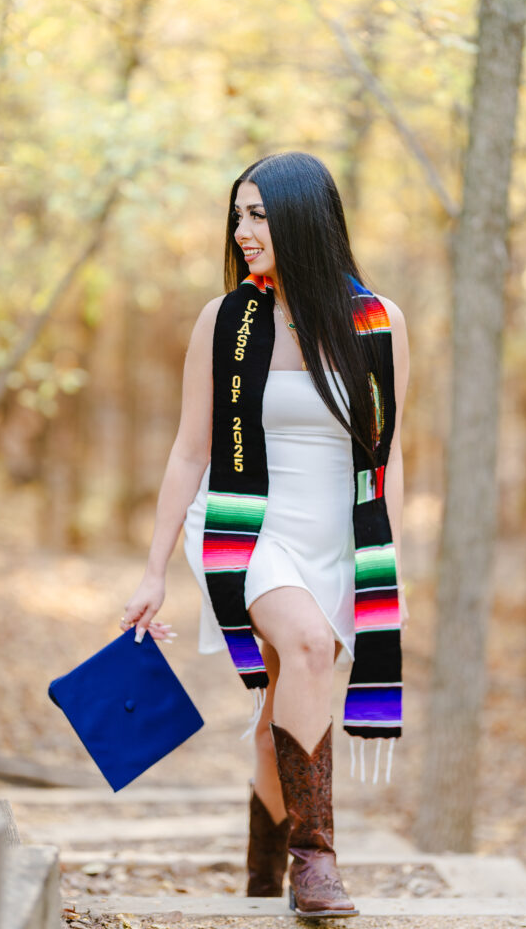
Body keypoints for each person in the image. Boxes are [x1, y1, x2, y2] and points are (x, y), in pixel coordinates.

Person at [120, 151, 409, 919]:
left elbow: (388, 452)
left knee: (286, 701)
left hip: (339, 534)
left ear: (304, 221)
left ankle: (259, 887)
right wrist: (153, 571)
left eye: (259, 215)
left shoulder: (377, 323)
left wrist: (390, 560)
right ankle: (316, 864)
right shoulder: (224, 322)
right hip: (245, 527)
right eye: (238, 215)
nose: (242, 231)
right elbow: (190, 449)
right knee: (309, 647)